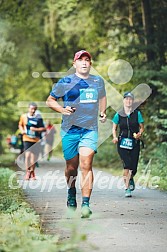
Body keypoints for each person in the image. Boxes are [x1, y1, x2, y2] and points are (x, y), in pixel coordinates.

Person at [46, 50, 106, 218]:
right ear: (75, 64)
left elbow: (102, 97)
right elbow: (50, 100)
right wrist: (62, 109)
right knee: (71, 168)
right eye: (81, 60)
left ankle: (86, 204)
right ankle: (71, 192)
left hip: (89, 129)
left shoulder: (97, 81)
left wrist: (102, 112)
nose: (84, 62)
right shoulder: (66, 82)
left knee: (86, 165)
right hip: (69, 130)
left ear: (90, 64)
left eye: (87, 60)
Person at [112, 92, 144, 197]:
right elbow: (114, 128)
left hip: (134, 142)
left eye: (130, 99)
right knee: (127, 165)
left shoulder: (137, 114)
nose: (128, 101)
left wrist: (139, 134)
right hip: (122, 143)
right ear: (123, 101)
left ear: (133, 101)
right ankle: (127, 189)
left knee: (133, 167)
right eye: (126, 99)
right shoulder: (119, 114)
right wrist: (115, 137)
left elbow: (142, 127)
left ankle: (131, 178)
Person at [18, 102, 46, 180]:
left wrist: (36, 129)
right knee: (27, 156)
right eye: (31, 109)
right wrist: (22, 130)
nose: (33, 110)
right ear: (28, 108)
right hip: (26, 138)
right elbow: (20, 125)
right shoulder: (24, 116)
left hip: (36, 139)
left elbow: (44, 128)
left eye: (35, 109)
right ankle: (27, 172)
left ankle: (32, 172)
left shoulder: (38, 118)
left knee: (33, 158)